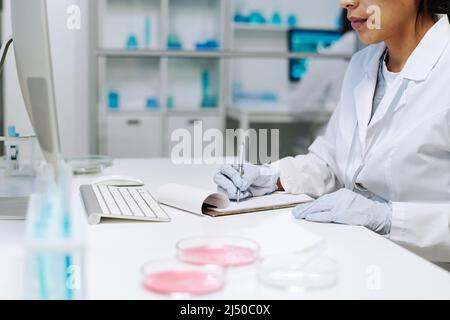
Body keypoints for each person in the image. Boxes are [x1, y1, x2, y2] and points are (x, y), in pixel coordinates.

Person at [214, 0, 450, 265]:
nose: (346, 2)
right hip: (362, 258)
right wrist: (274, 177)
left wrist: (387, 219)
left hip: (431, 275)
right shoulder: (363, 64)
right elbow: (331, 162)